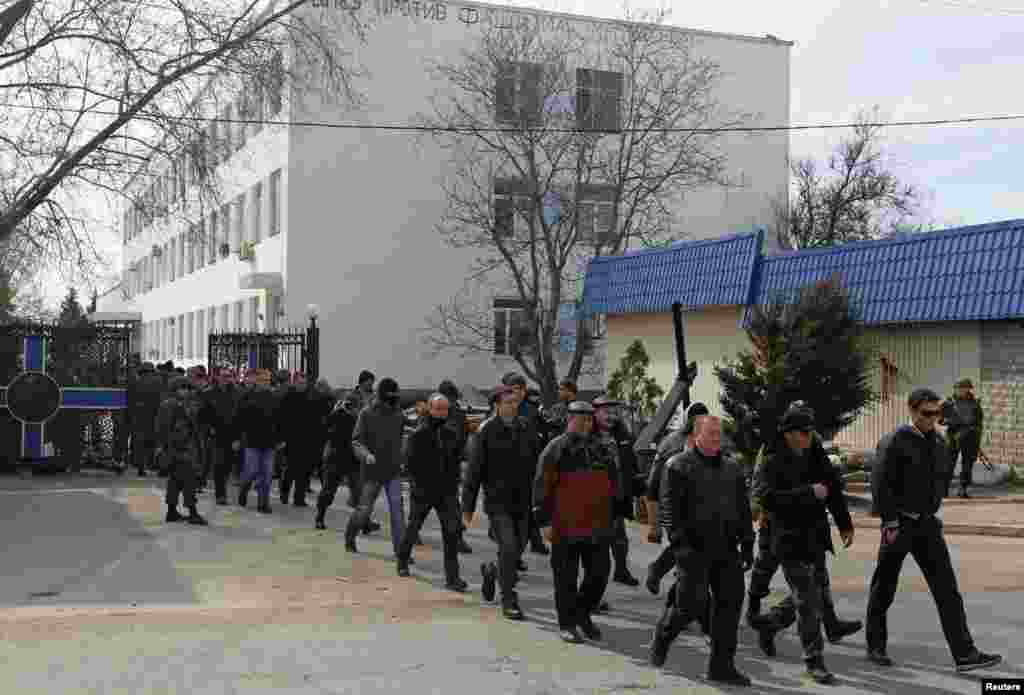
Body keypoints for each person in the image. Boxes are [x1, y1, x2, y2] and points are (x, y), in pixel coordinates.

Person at [865, 387, 1002, 673]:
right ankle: (875, 645)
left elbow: (940, 476)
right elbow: (880, 483)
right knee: (884, 586)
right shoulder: (894, 441)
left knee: (947, 590)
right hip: (899, 525)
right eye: (926, 413)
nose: (932, 418)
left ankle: (965, 654)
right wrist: (889, 521)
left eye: (936, 413)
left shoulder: (938, 441)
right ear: (912, 410)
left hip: (927, 525)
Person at [748, 406, 858, 678]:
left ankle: (771, 623)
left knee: (815, 594)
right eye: (803, 432)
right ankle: (814, 660)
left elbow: (831, 486)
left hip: (815, 535)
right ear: (788, 433)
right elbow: (767, 498)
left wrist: (844, 523)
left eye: (811, 432)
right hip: (787, 538)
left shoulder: (814, 451)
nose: (809, 437)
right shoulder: (772, 457)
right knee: (807, 600)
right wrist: (808, 492)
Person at [649, 416, 753, 686]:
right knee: (689, 605)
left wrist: (747, 543)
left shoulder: (732, 468)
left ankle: (722, 666)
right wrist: (680, 545)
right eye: (711, 433)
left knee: (730, 606)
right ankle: (664, 635)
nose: (717, 438)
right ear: (696, 435)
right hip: (692, 549)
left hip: (727, 548)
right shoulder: (677, 465)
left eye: (719, 433)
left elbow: (743, 510)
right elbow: (669, 510)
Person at [534, 401, 626, 644]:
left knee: (599, 574)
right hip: (565, 525)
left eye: (588, 419)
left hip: (597, 525)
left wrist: (616, 513)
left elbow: (614, 482)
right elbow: (542, 485)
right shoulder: (556, 448)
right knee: (565, 579)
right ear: (570, 419)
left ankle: (582, 614)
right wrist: (544, 521)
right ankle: (567, 624)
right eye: (580, 418)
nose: (585, 423)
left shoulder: (601, 448)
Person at [462, 385, 537, 620]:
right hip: (498, 502)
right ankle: (509, 598)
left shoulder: (526, 427)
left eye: (515, 402)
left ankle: (492, 569)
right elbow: (474, 471)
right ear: (497, 405)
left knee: (517, 550)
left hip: (523, 501)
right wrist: (467, 506)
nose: (513, 406)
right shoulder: (486, 431)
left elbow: (537, 465)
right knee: (508, 547)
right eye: (508, 403)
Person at [395, 394, 468, 591]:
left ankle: (453, 578)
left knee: (451, 533)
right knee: (413, 528)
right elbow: (409, 464)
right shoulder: (419, 434)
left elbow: (456, 460)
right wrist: (417, 485)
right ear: (430, 409)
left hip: (447, 492)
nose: (442, 413)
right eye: (438, 409)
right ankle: (402, 560)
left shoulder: (452, 433)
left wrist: (455, 484)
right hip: (423, 491)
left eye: (445, 409)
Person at [644, 402, 710, 593]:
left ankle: (659, 571)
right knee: (685, 550)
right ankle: (678, 595)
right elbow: (654, 483)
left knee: (692, 550)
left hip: (700, 507)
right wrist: (654, 523)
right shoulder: (671, 443)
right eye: (695, 418)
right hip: (674, 507)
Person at [344, 378, 407, 556]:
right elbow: (356, 441)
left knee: (397, 511)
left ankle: (401, 552)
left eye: (394, 398)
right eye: (388, 399)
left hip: (393, 470)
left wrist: (402, 457)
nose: (390, 403)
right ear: (381, 397)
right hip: (372, 471)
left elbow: (402, 437)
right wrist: (366, 455)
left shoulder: (398, 414)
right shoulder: (366, 413)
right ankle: (350, 536)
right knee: (364, 510)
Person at [593, 396, 640, 588]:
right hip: (595, 498)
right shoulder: (587, 435)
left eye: (614, 413)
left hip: (618, 494)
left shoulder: (623, 435)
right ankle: (594, 587)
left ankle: (621, 571)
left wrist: (636, 487)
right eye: (606, 412)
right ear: (595, 412)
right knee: (599, 543)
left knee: (620, 539)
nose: (611, 417)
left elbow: (631, 463)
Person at [502, 372, 549, 557]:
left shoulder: (531, 411)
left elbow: (541, 438)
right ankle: (515, 553)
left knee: (528, 509)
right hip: (509, 469)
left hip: (529, 467)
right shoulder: (503, 408)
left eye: (518, 390)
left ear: (523, 391)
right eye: (511, 390)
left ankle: (522, 550)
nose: (515, 393)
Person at [156, 377, 207, 525]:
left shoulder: (173, 404)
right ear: (176, 389)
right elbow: (169, 428)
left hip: (177, 448)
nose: (187, 391)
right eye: (183, 388)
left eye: (188, 388)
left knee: (175, 481)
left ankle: (171, 511)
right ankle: (192, 512)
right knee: (188, 481)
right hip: (181, 449)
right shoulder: (174, 405)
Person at [235, 376, 282, 513]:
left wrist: (280, 439)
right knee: (251, 471)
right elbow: (239, 419)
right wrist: (237, 438)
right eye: (262, 381)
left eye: (267, 381)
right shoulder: (247, 397)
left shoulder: (274, 398)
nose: (264, 383)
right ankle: (244, 489)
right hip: (252, 441)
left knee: (267, 475)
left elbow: (280, 420)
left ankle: (263, 503)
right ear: (257, 382)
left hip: (269, 442)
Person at [438, 379, 474, 555]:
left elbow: (463, 437)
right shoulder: (434, 412)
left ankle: (457, 540)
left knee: (453, 505)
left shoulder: (457, 414)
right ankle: (412, 535)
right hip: (434, 467)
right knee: (422, 507)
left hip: (450, 466)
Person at [315, 392, 360, 529]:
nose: (353, 409)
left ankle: (364, 522)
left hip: (352, 459)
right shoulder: (337, 415)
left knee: (358, 493)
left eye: (354, 406)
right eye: (350, 406)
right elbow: (323, 426)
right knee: (328, 491)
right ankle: (319, 517)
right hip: (335, 458)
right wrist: (336, 411)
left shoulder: (358, 417)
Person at [940, 378, 984, 498]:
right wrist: (950, 421)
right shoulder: (948, 402)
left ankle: (963, 489)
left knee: (967, 464)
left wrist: (976, 437)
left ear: (968, 389)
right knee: (948, 463)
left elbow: (979, 422)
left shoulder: (975, 403)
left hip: (969, 436)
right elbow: (940, 419)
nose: (961, 390)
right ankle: (943, 489)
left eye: (964, 388)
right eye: (959, 388)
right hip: (953, 436)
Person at [127, 362, 165, 476]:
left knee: (139, 442)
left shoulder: (135, 382)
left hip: (138, 416)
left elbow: (130, 399)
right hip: (153, 415)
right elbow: (160, 399)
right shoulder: (158, 382)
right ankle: (153, 464)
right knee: (153, 441)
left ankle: (140, 465)